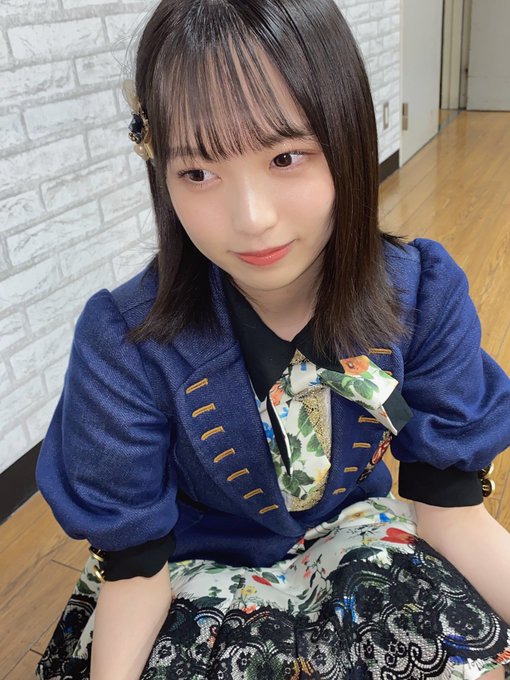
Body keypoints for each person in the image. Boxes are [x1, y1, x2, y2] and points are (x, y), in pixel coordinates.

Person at [35, 0, 510, 678]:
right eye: (198, 173)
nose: (251, 218)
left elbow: (452, 514)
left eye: (285, 157)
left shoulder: (422, 293)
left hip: (354, 538)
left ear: (347, 137)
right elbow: (136, 574)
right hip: (195, 565)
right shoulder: (124, 342)